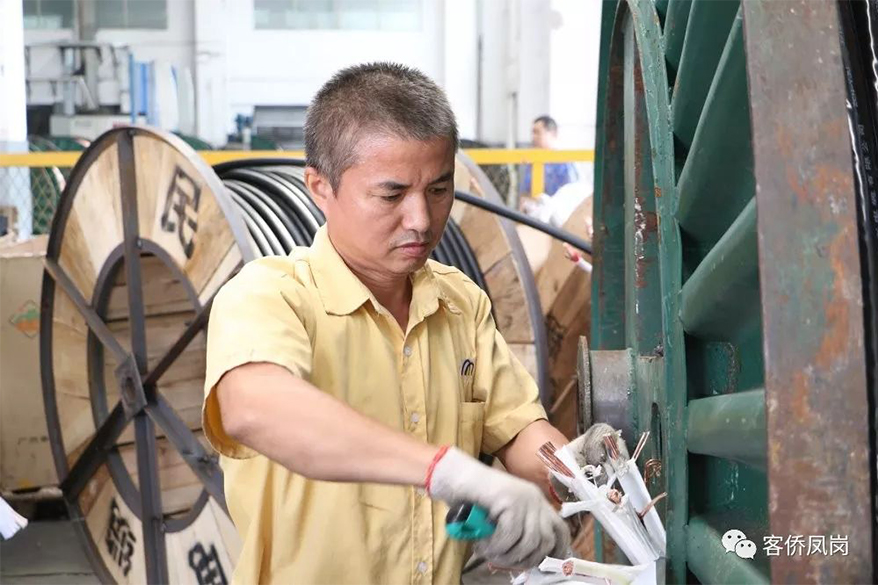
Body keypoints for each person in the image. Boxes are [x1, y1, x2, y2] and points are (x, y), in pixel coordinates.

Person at [202, 62, 597, 585]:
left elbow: (518, 427)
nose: (421, 220)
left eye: (439, 189)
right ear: (320, 186)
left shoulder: (460, 304)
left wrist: (570, 470)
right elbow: (254, 407)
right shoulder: (269, 296)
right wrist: (446, 470)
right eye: (391, 195)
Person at [519, 115, 579, 198]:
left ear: (552, 134)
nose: (533, 137)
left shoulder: (564, 163)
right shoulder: (531, 162)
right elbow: (524, 192)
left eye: (537, 132)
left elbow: (572, 192)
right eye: (533, 133)